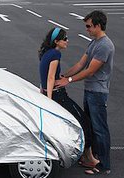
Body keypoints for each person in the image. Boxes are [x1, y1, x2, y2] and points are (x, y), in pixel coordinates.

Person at [56, 10, 115, 175]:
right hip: (90, 91)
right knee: (90, 126)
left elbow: (90, 71)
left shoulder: (105, 45)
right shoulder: (94, 42)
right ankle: (92, 159)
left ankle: (104, 165)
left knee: (100, 129)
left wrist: (68, 81)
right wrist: (62, 76)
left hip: (98, 93)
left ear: (97, 25)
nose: (87, 29)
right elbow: (80, 64)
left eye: (89, 26)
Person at [38, 27, 96, 167]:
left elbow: (43, 77)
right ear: (57, 41)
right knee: (83, 121)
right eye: (65, 39)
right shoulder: (55, 55)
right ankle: (88, 158)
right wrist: (49, 100)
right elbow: (51, 77)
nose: (67, 41)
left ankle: (85, 155)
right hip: (57, 95)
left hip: (52, 93)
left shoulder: (46, 52)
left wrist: (43, 91)